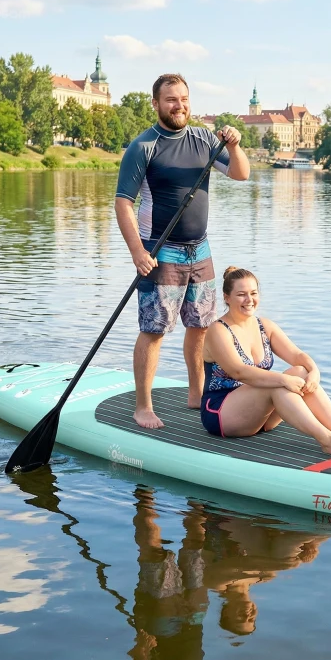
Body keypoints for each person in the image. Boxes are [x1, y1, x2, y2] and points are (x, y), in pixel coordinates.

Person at [115, 74, 250, 430]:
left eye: (184, 99)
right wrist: (136, 252)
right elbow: (123, 204)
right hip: (161, 254)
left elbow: (241, 175)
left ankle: (196, 393)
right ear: (156, 104)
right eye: (171, 100)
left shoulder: (205, 139)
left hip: (200, 251)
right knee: (154, 330)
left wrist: (234, 145)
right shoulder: (143, 147)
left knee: (202, 325)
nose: (179, 106)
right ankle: (143, 406)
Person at [200, 266, 331, 459]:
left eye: (253, 293)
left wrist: (314, 371)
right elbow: (239, 372)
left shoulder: (265, 326)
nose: (249, 300)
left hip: (260, 417)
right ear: (227, 297)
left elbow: (296, 355)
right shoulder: (218, 330)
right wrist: (282, 380)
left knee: (300, 371)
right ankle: (328, 441)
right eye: (241, 294)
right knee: (277, 384)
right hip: (221, 414)